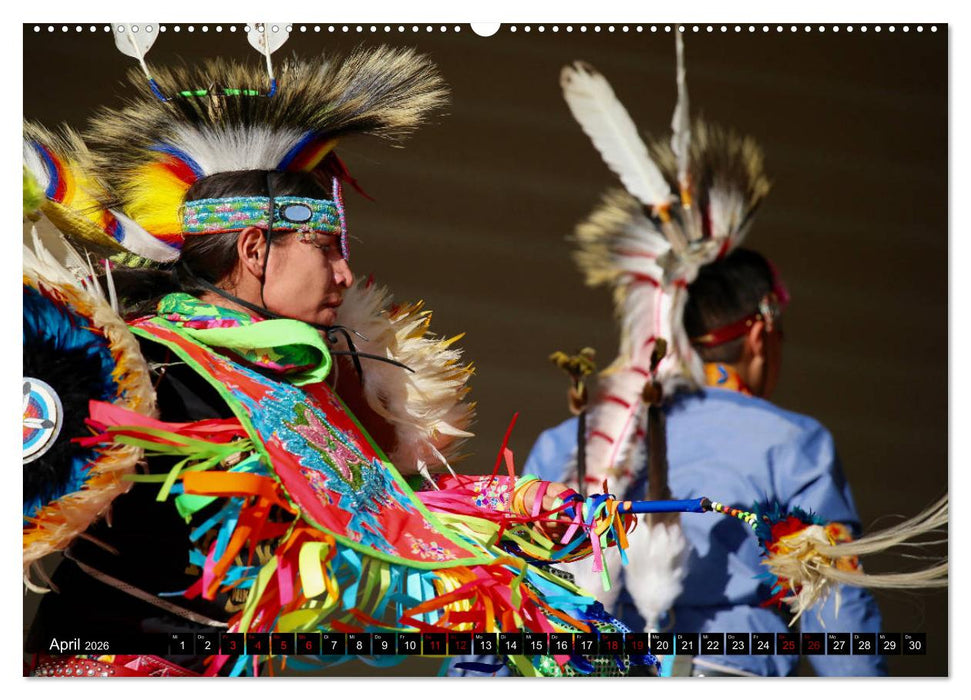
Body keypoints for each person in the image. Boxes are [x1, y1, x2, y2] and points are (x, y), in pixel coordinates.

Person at [23, 38, 642, 678]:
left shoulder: (289, 379)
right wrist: (509, 604)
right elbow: (355, 548)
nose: (346, 274)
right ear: (255, 250)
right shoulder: (152, 368)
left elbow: (380, 510)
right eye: (326, 247)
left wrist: (514, 511)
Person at [523, 248, 887, 676]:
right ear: (760, 334)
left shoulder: (563, 444)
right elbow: (833, 602)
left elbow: (506, 593)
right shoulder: (791, 443)